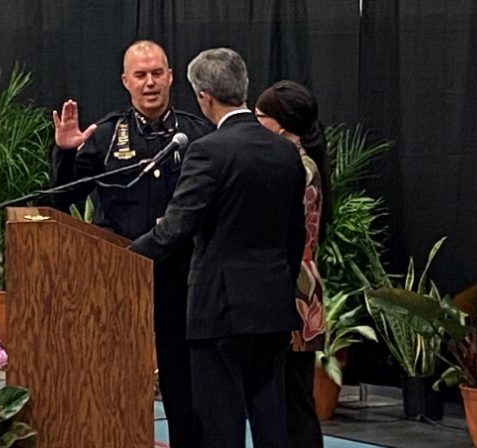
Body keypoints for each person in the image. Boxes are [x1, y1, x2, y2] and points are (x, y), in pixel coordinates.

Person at [130, 48, 306, 448]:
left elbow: (175, 228)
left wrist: (120, 260)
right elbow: (295, 236)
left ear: (203, 96)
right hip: (273, 305)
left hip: (220, 311)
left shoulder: (208, 150)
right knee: (270, 418)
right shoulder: (284, 151)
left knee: (221, 423)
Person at [50, 40, 212, 448]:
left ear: (171, 77)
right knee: (117, 382)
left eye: (157, 73)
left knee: (184, 388)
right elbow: (62, 198)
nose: (150, 82)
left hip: (181, 280)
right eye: (140, 75)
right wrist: (67, 153)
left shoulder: (197, 134)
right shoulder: (104, 135)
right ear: (126, 82)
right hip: (118, 279)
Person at [255, 80, 332, 448]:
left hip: (292, 287)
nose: (254, 124)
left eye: (259, 117)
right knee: (290, 396)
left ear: (281, 125)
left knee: (293, 399)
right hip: (302, 284)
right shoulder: (304, 162)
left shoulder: (293, 167)